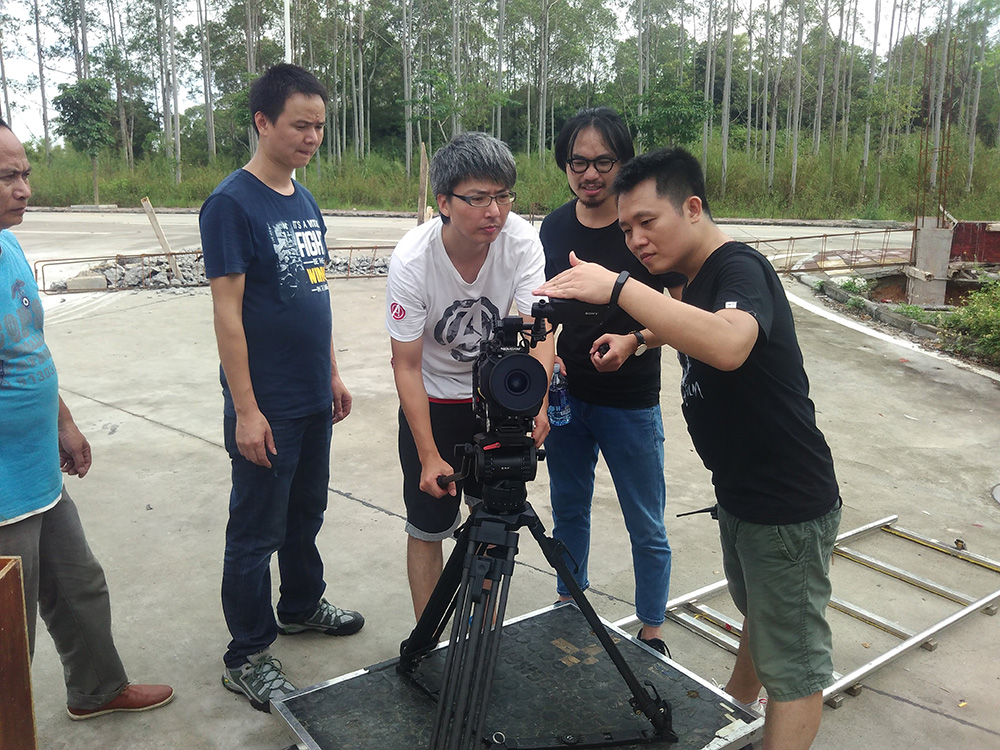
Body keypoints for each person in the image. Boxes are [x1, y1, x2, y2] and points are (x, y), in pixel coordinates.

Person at [535, 147, 842, 750]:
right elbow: (685, 317)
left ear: (693, 208)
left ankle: (767, 714)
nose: (636, 240)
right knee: (761, 613)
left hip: (786, 500)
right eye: (627, 229)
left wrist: (618, 287)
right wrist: (637, 340)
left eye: (647, 222)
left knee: (796, 668)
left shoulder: (739, 267)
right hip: (742, 493)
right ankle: (739, 704)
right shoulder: (700, 279)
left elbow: (727, 344)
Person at [200, 64, 363, 713]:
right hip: (265, 405)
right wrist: (246, 410)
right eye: (300, 125)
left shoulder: (304, 199)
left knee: (305, 514)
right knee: (255, 530)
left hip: (311, 395)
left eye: (319, 125)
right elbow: (227, 314)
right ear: (263, 122)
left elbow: (314, 294)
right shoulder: (231, 205)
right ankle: (246, 655)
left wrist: (331, 372)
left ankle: (299, 605)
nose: (312, 136)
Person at [0, 119, 174, 721]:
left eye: (25, 173)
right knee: (8, 631)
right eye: (7, 176)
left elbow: (30, 350)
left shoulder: (8, 245)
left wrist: (63, 423)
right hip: (2, 495)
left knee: (79, 588)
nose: (24, 189)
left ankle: (97, 689)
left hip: (37, 471)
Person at [386, 132, 554, 620]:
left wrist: (537, 403)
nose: (494, 211)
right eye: (478, 198)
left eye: (503, 196)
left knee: (494, 519)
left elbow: (540, 330)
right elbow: (406, 364)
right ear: (444, 202)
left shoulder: (520, 241)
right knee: (428, 525)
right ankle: (428, 639)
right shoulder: (412, 260)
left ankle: (482, 629)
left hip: (495, 397)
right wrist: (428, 454)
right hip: (433, 400)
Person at [541, 107, 681, 654]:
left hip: (630, 401)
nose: (591, 174)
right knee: (568, 510)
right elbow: (546, 307)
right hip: (568, 400)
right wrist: (547, 359)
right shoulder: (555, 227)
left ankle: (652, 629)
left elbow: (684, 314)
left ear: (624, 162)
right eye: (578, 162)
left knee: (645, 521)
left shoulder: (642, 229)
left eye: (604, 162)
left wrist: (635, 340)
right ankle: (568, 603)